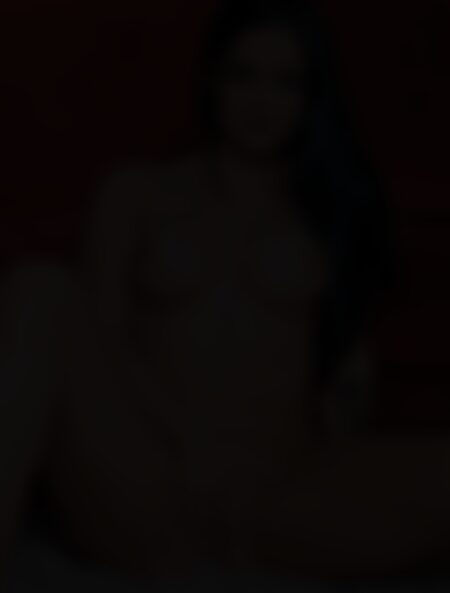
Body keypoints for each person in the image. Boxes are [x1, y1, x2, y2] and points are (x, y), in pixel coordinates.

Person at [1, 0, 449, 586]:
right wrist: (183, 440)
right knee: (41, 288)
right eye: (244, 75)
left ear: (310, 98)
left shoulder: (331, 215)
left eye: (285, 82)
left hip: (276, 497)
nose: (261, 101)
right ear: (212, 80)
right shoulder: (137, 194)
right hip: (151, 479)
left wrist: (345, 394)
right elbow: (102, 342)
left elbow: (342, 390)